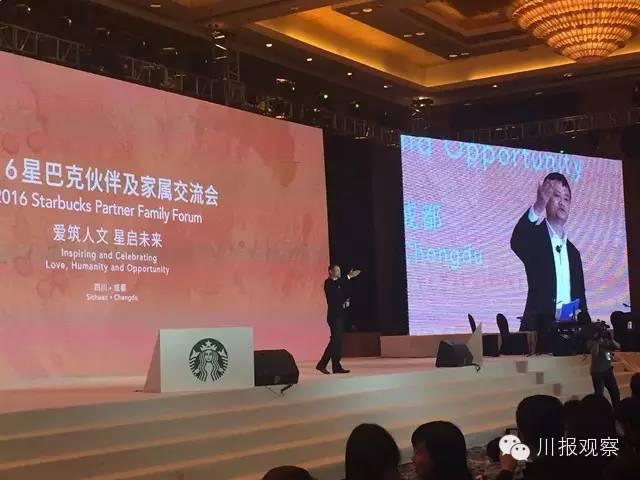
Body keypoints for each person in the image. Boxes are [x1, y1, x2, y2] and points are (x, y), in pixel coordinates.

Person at [510, 172, 587, 352]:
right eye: (556, 196)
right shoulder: (535, 240)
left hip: (570, 335)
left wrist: (588, 335)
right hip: (539, 334)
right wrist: (538, 205)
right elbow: (517, 240)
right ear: (546, 200)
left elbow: (581, 300)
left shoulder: (574, 253)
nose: (562, 202)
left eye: (566, 198)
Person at [316, 264, 360, 374]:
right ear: (330, 272)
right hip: (334, 316)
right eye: (337, 270)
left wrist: (345, 302)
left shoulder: (339, 284)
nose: (339, 272)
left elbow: (339, 297)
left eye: (339, 270)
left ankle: (336, 366)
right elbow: (337, 286)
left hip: (340, 315)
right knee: (335, 341)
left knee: (338, 342)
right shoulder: (329, 283)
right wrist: (349, 276)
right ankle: (322, 364)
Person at [588, 322, 621, 406]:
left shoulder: (606, 340)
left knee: (615, 393)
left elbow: (618, 347)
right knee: (599, 395)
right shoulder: (592, 341)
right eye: (601, 330)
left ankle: (617, 410)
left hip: (608, 370)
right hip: (598, 372)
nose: (604, 331)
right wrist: (597, 340)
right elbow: (595, 353)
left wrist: (611, 339)